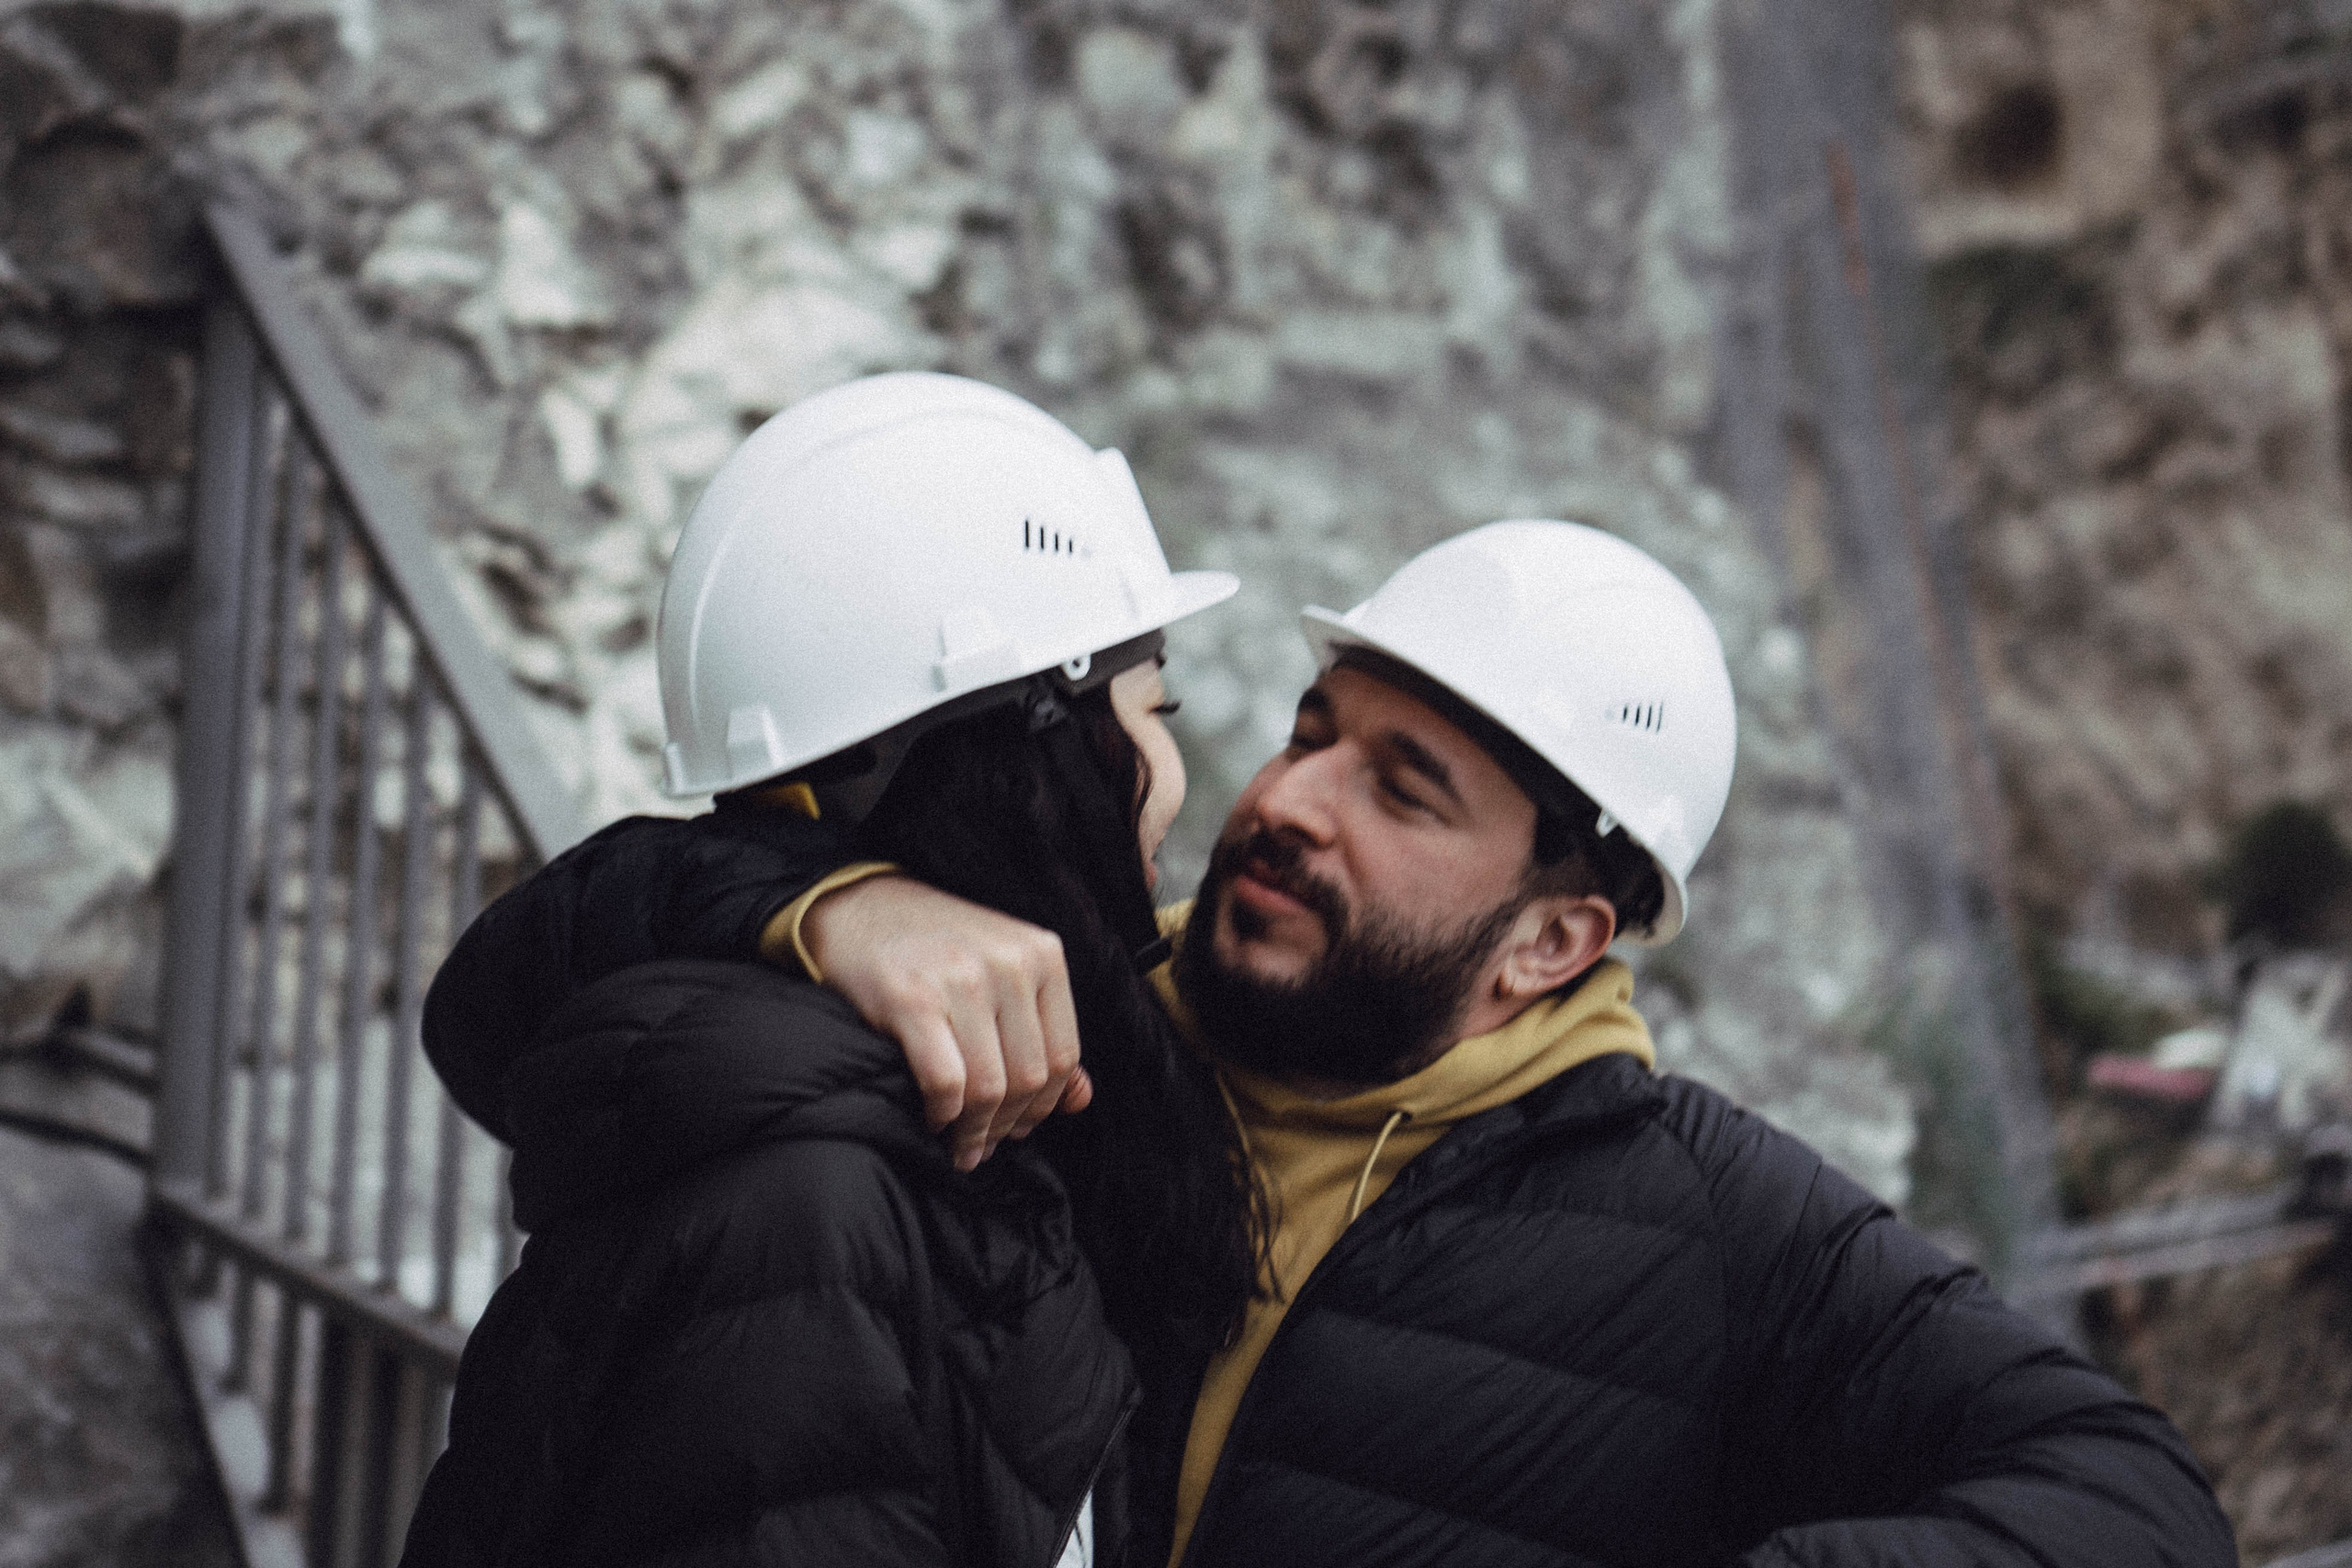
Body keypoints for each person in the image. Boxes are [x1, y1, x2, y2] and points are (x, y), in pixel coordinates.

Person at [424, 514, 2237, 1567]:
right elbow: (522, 993)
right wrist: (819, 902)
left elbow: (2133, 1502)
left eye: (1401, 787)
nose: (1285, 798)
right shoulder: (1040, 1023)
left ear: (1549, 938)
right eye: (1304, 728)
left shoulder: (1713, 1223)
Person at [400, 372, 1266, 1568]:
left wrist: (820, 902)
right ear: (1031, 757)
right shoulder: (808, 1188)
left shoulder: (941, 1093)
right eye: (1150, 710)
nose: (1173, 774)